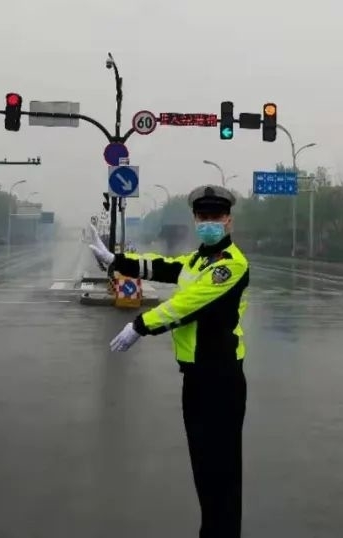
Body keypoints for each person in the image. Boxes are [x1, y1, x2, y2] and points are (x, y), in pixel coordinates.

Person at [87, 184, 248, 538]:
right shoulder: (197, 259)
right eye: (202, 217)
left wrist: (140, 326)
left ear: (228, 221)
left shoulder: (230, 266)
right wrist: (117, 261)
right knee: (204, 473)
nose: (209, 222)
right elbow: (161, 266)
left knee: (220, 476)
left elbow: (187, 305)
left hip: (220, 379)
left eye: (215, 217)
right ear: (195, 220)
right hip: (196, 378)